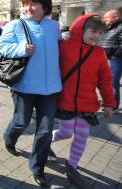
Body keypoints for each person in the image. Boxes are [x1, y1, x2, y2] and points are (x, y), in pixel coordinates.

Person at [0, 0, 62, 187]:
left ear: (45, 6)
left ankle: (37, 167)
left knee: (45, 130)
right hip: (24, 86)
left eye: (33, 3)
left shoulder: (54, 27)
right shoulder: (16, 24)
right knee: (21, 122)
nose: (28, 8)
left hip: (51, 88)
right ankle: (9, 138)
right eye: (26, 4)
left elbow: (61, 47)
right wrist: (22, 49)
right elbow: (1, 46)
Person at [51, 14, 115, 188]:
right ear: (81, 28)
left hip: (88, 104)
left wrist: (109, 103)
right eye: (94, 31)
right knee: (66, 133)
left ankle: (72, 166)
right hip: (65, 102)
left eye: (101, 33)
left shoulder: (99, 53)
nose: (97, 36)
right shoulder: (63, 47)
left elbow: (105, 81)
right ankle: (45, 141)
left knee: (81, 136)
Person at [97, 9, 122, 110]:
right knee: (105, 81)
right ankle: (109, 102)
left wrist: (112, 54)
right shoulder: (110, 26)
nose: (104, 19)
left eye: (107, 18)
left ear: (115, 17)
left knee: (112, 82)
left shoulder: (120, 26)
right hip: (106, 57)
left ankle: (113, 105)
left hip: (114, 59)